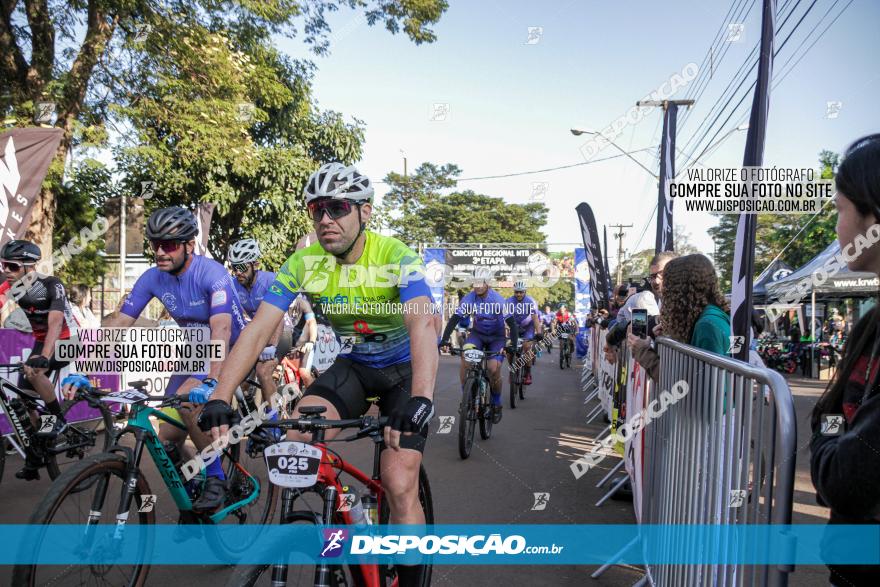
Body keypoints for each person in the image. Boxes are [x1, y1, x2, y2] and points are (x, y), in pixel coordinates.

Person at [199, 162, 437, 587]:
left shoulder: (397, 255)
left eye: (338, 207)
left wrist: (421, 398)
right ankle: (342, 515)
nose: (326, 219)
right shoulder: (304, 262)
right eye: (316, 210)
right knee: (297, 443)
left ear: (364, 212)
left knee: (400, 482)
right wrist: (221, 395)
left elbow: (422, 325)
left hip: (404, 373)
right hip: (355, 367)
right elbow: (256, 330)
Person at [67, 206, 248, 511]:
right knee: (167, 439)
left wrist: (213, 380)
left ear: (189, 245)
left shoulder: (212, 273)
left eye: (169, 245)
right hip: (194, 350)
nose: (160, 252)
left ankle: (217, 478)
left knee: (188, 399)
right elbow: (120, 325)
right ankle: (191, 490)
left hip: (232, 346)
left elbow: (222, 328)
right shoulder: (152, 278)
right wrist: (84, 369)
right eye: (154, 244)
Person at [810, 134, 880, 586]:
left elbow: (845, 477)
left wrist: (826, 441)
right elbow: (831, 417)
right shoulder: (869, 326)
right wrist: (832, 432)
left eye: (839, 209)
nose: (837, 228)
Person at [0, 240, 77, 480]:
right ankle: (38, 452)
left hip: (67, 340)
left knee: (34, 372)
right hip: (41, 341)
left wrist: (44, 356)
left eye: (11, 266)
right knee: (24, 403)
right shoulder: (10, 286)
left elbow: (55, 322)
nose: (5, 271)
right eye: (3, 265)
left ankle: (57, 419)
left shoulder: (51, 285)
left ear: (28, 267)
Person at [440, 268, 519, 424]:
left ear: (487, 283)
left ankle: (496, 403)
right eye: (474, 282)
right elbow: (454, 319)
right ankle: (467, 397)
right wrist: (444, 339)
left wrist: (514, 345)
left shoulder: (498, 299)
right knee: (466, 358)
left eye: (480, 283)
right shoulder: (469, 298)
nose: (477, 286)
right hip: (477, 335)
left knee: (492, 369)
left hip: (497, 338)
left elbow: (512, 325)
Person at [227, 238, 283, 399]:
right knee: (237, 378)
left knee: (263, 372)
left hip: (280, 330)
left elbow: (278, 317)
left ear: (255, 265)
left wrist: (272, 345)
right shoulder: (233, 285)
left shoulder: (270, 280)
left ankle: (273, 423)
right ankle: (248, 416)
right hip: (257, 331)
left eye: (242, 267)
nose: (238, 272)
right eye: (234, 267)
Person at [656, 254, 730, 355]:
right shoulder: (714, 316)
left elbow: (704, 371)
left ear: (678, 290)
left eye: (667, 285)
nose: (663, 290)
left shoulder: (707, 326)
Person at [627, 251, 677, 381]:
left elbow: (676, 380)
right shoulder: (665, 306)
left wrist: (643, 351)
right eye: (652, 276)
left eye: (661, 274)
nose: (656, 281)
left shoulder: (707, 322)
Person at [504, 281, 543, 385]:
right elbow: (504, 318)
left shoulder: (530, 302)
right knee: (509, 349)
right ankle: (513, 370)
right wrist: (505, 328)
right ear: (514, 292)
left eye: (521, 292)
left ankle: (527, 373)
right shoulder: (508, 301)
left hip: (527, 327)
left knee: (526, 347)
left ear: (525, 292)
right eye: (517, 292)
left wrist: (539, 332)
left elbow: (535, 318)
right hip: (514, 327)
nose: (519, 294)